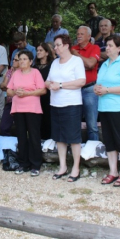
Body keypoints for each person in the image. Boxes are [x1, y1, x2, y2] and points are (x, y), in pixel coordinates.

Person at [94, 35, 120, 187]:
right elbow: (100, 84)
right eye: (106, 45)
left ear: (119, 48)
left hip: (119, 108)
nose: (107, 48)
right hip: (104, 107)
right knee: (109, 141)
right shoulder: (105, 64)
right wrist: (97, 89)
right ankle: (113, 171)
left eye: (110, 45)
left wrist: (108, 90)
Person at [45, 34, 86, 182]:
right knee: (59, 137)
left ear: (66, 45)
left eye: (57, 45)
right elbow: (47, 81)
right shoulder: (55, 62)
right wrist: (50, 85)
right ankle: (63, 166)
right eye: (55, 45)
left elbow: (81, 81)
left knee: (73, 137)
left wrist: (61, 85)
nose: (55, 48)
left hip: (72, 104)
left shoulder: (76, 61)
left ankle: (76, 168)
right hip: (55, 104)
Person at [7, 50, 46, 176]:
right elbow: (8, 90)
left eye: (24, 59)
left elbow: (42, 90)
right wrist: (15, 93)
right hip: (18, 108)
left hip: (32, 108)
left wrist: (27, 93)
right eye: (20, 59)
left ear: (31, 61)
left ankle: (35, 165)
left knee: (34, 136)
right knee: (21, 136)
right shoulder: (16, 73)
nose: (22, 61)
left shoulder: (35, 72)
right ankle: (23, 163)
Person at [71, 26, 101, 141]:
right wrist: (85, 62)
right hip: (75, 90)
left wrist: (77, 56)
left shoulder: (94, 48)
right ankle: (75, 149)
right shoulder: (72, 48)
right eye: (77, 33)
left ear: (89, 36)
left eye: (82, 34)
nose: (78, 36)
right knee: (74, 123)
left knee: (92, 124)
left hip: (90, 90)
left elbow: (90, 64)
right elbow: (70, 68)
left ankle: (93, 151)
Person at [35, 43, 55, 139]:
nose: (38, 52)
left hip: (49, 96)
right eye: (37, 50)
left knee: (48, 119)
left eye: (41, 50)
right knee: (38, 121)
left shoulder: (53, 65)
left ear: (47, 53)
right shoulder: (34, 67)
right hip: (36, 97)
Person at [0, 55, 20, 136]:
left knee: (20, 127)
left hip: (20, 103)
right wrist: (9, 88)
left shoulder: (23, 72)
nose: (13, 61)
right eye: (13, 59)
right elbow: (2, 85)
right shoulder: (10, 71)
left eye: (16, 60)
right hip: (10, 102)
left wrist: (8, 88)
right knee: (3, 127)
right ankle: (9, 145)